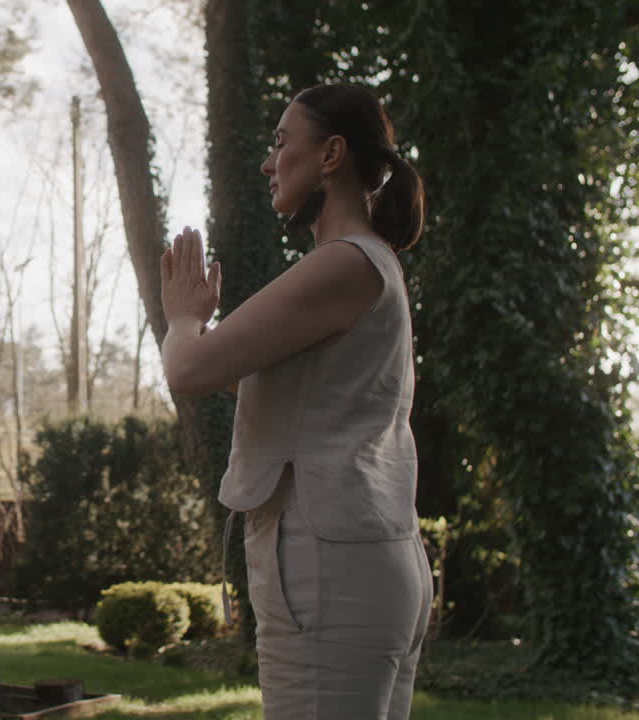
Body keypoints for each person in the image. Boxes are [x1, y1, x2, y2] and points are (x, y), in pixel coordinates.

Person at [160, 83, 433, 719]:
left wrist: (184, 317)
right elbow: (286, 389)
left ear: (332, 154)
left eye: (282, 142)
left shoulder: (344, 262)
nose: (267, 162)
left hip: (327, 570)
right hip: (360, 563)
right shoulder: (370, 264)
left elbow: (188, 370)